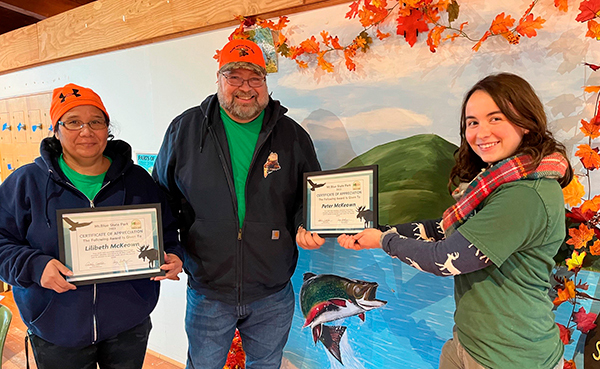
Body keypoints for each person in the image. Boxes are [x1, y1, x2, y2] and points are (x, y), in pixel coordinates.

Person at [337, 73, 572, 369]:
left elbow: (448, 258)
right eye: (472, 122)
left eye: (495, 118)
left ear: (525, 123)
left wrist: (385, 241)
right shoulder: (496, 182)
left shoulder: (524, 194)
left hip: (511, 356)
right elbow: (443, 229)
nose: (481, 132)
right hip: (470, 342)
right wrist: (381, 230)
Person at [152, 38, 323, 368]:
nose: (246, 88)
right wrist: (169, 248)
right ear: (219, 80)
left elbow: (310, 195)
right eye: (234, 77)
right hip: (208, 290)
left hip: (272, 291)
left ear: (266, 83)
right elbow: (162, 197)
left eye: (255, 78)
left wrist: (307, 223)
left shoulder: (292, 136)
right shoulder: (185, 129)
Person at [0, 83, 183, 369]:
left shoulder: (137, 180)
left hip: (128, 324)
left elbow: (167, 228)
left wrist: (173, 252)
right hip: (57, 327)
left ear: (107, 128)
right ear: (56, 130)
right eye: (73, 122)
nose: (86, 131)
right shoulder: (26, 183)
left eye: (96, 122)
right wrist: (35, 266)